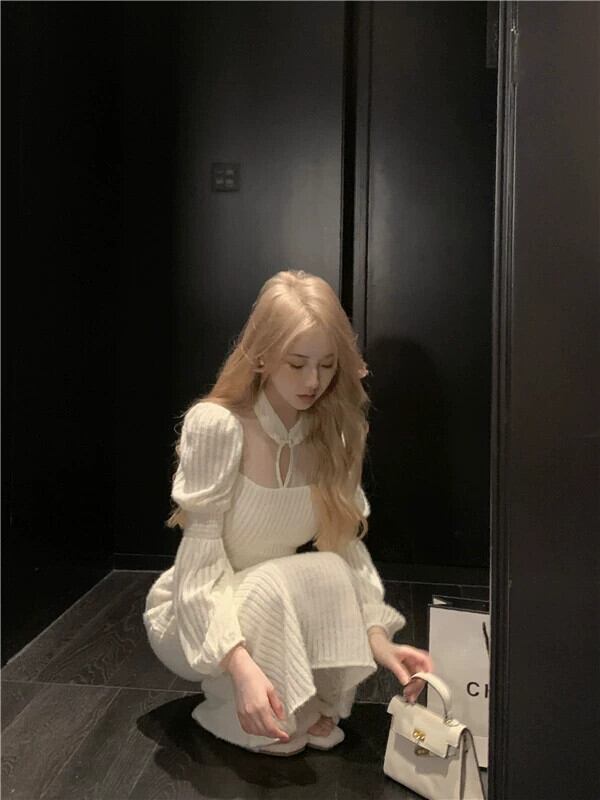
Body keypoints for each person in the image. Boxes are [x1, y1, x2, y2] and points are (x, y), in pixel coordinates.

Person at [143, 269, 433, 756]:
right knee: (273, 585)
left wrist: (377, 637)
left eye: (327, 365)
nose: (314, 381)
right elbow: (198, 566)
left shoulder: (338, 433)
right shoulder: (218, 426)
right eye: (297, 364)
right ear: (261, 356)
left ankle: (295, 702)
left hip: (270, 600)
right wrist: (240, 666)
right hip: (192, 614)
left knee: (326, 568)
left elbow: (344, 547)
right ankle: (237, 698)